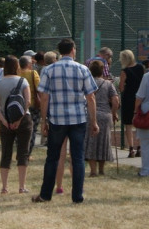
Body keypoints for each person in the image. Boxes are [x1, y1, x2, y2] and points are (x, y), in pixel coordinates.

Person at [32, 38, 99, 204]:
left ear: (60, 51)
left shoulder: (48, 70)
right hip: (78, 119)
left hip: (57, 119)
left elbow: (44, 97)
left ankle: (45, 194)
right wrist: (94, 121)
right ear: (73, 50)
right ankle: (77, 196)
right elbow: (90, 97)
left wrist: (43, 120)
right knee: (77, 158)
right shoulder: (83, 69)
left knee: (52, 158)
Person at [0, 55, 34, 194]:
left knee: (6, 153)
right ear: (17, 66)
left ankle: (4, 187)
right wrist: (19, 119)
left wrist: (4, 120)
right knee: (23, 152)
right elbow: (28, 102)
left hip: (6, 121)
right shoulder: (23, 82)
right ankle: (22, 186)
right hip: (23, 120)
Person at [84, 60, 119, 176]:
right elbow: (115, 100)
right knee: (104, 142)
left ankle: (93, 171)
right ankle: (101, 169)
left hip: (89, 114)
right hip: (105, 115)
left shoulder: (87, 82)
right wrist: (113, 113)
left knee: (90, 142)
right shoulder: (108, 84)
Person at [118, 49, 145, 158]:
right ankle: (140, 147)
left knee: (128, 125)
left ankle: (131, 149)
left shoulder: (124, 71)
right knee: (139, 124)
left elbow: (121, 87)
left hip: (128, 98)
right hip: (139, 97)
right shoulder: (140, 68)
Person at [18, 55, 41, 157]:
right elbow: (39, 88)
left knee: (19, 129)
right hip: (32, 105)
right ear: (28, 64)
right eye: (32, 63)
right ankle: (27, 153)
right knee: (32, 129)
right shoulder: (33, 73)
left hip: (18, 105)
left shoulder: (16, 73)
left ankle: (20, 151)